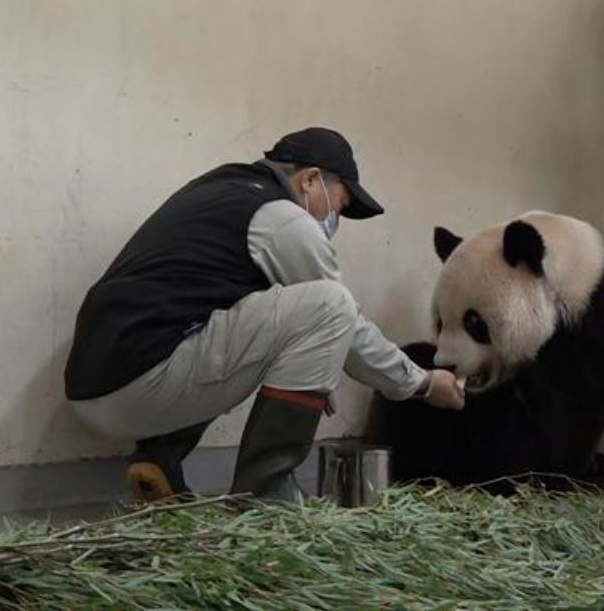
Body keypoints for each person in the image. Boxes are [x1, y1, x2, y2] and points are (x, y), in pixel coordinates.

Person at [65, 127, 465, 502]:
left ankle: (160, 458)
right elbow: (349, 329)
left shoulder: (221, 189)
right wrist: (424, 382)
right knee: (332, 306)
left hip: (95, 384)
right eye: (339, 205)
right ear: (309, 180)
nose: (334, 220)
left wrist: (311, 369)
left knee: (237, 321)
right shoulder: (281, 217)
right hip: (141, 384)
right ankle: (265, 499)